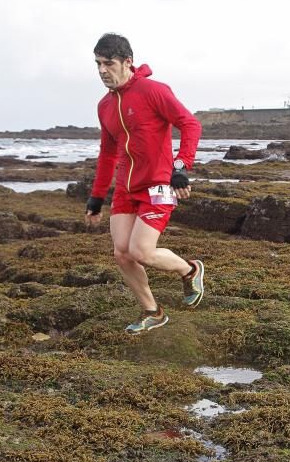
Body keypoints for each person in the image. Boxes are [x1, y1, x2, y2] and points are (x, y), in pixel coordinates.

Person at [85, 33, 204, 335]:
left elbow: (190, 124)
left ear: (127, 62)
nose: (102, 70)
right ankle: (152, 311)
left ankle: (190, 269)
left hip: (158, 185)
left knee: (140, 251)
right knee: (121, 254)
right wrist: (97, 197)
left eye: (108, 63)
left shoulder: (153, 91)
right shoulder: (105, 106)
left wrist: (181, 166)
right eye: (97, 64)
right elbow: (108, 153)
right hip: (126, 189)